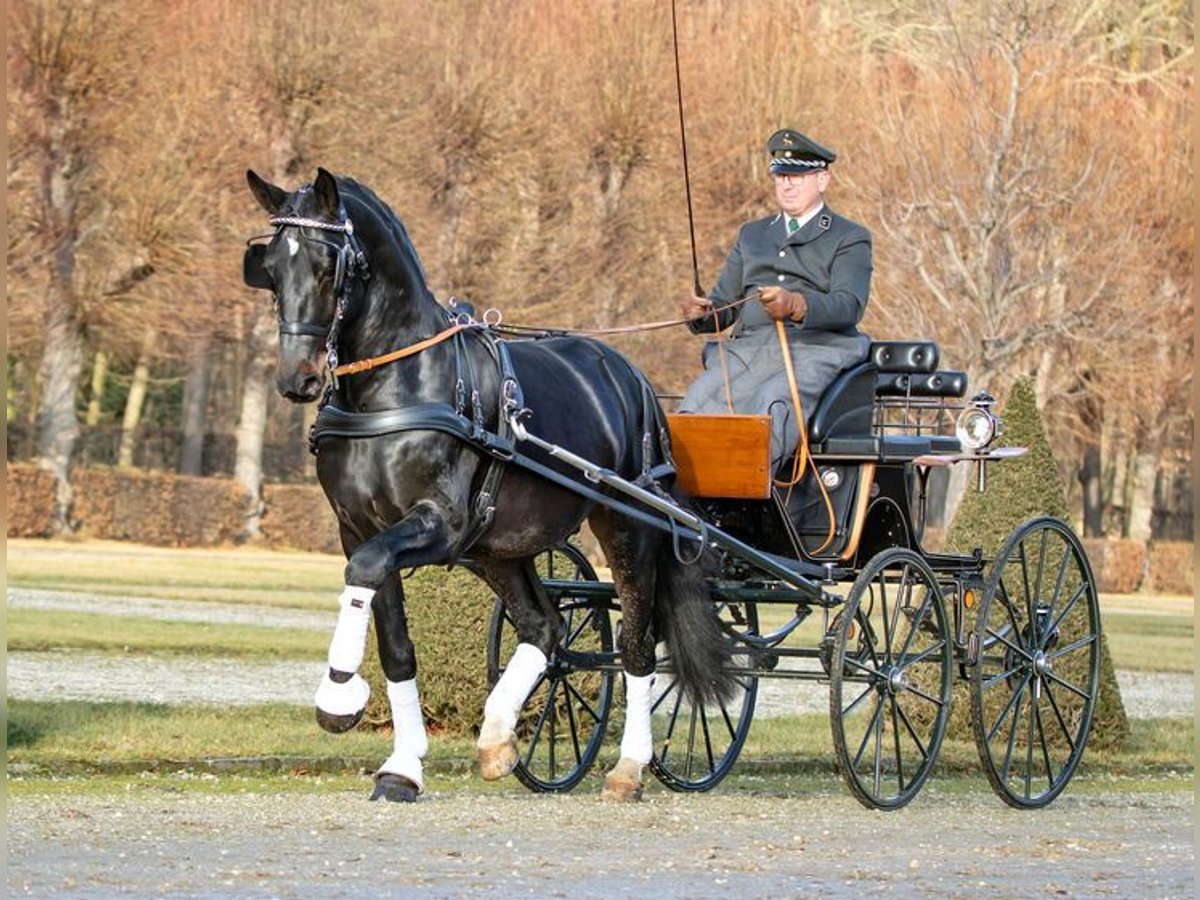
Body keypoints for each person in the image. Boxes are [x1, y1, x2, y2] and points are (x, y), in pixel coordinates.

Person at [678, 128, 873, 467]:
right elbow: (723, 306)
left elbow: (849, 305)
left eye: (798, 176)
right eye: (782, 176)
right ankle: (685, 497)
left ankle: (752, 496)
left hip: (816, 350)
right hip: (749, 351)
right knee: (696, 402)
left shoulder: (848, 237)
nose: (787, 184)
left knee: (772, 403)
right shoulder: (752, 235)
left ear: (822, 180)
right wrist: (700, 314)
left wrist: (796, 305)